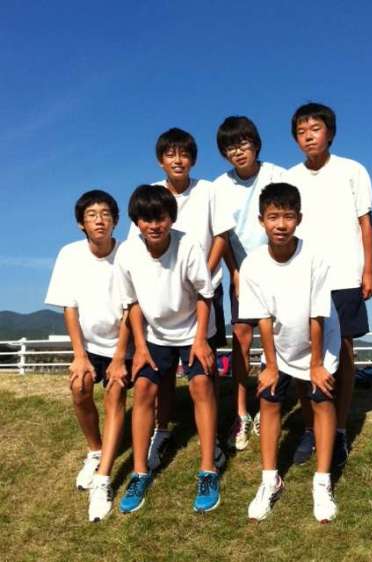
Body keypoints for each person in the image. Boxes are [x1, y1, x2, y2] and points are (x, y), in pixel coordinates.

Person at [129, 128, 233, 471]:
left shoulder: (208, 190)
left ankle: (211, 437)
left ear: (193, 159)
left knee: (205, 364)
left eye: (184, 154)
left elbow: (221, 236)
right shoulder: (150, 194)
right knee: (162, 370)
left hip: (203, 290)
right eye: (170, 154)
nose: (178, 160)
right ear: (160, 160)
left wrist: (203, 272)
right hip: (161, 293)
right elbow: (135, 245)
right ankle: (162, 429)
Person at [114, 185, 220, 514]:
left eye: (160, 218)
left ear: (171, 219)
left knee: (200, 384)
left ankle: (208, 470)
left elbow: (204, 295)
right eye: (146, 219)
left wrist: (200, 340)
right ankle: (140, 472)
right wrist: (140, 347)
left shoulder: (188, 244)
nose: (154, 225)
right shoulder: (128, 253)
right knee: (144, 389)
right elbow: (131, 303)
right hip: (154, 333)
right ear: (136, 222)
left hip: (193, 328)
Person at [239, 182, 341, 523]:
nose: (281, 224)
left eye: (288, 216)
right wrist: (270, 364)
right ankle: (270, 480)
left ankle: (322, 482)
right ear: (261, 221)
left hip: (320, 340)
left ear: (299, 218)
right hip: (280, 343)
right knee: (269, 398)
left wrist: (316, 364)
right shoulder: (253, 265)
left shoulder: (315, 257)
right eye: (273, 217)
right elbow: (263, 318)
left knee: (322, 399)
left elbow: (317, 315)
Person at [284, 103, 372, 467]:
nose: (308, 136)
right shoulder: (290, 177)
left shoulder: (353, 170)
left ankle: (337, 430)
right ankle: (311, 427)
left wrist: (368, 270)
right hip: (303, 276)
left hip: (345, 274)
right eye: (301, 131)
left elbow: (366, 223)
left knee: (346, 351)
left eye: (315, 128)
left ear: (330, 133)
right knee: (304, 351)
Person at [45, 190, 132, 522]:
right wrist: (79, 355)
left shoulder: (127, 253)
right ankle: (95, 450)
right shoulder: (69, 254)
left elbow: (131, 309)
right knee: (79, 388)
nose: (99, 220)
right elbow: (70, 307)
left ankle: (104, 479)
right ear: (81, 223)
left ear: (115, 221)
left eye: (106, 214)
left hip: (124, 343)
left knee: (115, 393)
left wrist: (120, 358)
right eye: (92, 215)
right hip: (90, 345)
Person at [213, 116, 285, 450]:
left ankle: (271, 403)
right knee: (241, 339)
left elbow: (289, 221)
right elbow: (222, 235)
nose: (238, 151)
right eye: (230, 147)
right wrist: (235, 272)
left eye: (243, 143)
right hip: (242, 273)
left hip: (278, 270)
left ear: (255, 144)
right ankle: (241, 413)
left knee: (280, 338)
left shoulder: (276, 175)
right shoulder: (220, 186)